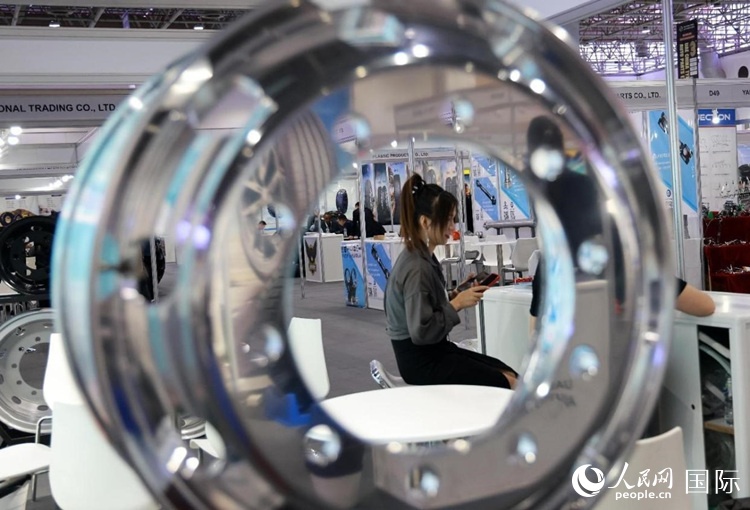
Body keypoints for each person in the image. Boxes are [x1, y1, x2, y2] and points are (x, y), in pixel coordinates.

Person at [384, 173, 518, 389]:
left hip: (433, 353)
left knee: (508, 373)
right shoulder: (417, 267)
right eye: (447, 220)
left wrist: (456, 293)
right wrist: (456, 304)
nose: (453, 227)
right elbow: (422, 332)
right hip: (423, 362)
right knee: (506, 381)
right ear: (425, 222)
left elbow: (425, 305)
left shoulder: (420, 257)